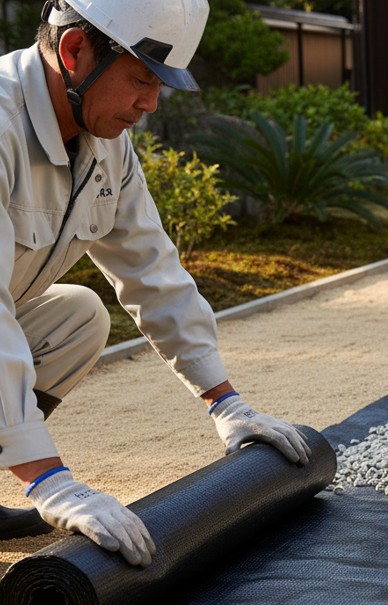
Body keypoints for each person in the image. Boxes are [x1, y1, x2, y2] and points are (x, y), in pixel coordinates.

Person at [0, 0, 311, 566]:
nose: (150, 104)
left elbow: (151, 267)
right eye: (142, 80)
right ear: (74, 51)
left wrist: (227, 404)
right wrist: (50, 481)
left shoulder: (103, 143)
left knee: (77, 318)